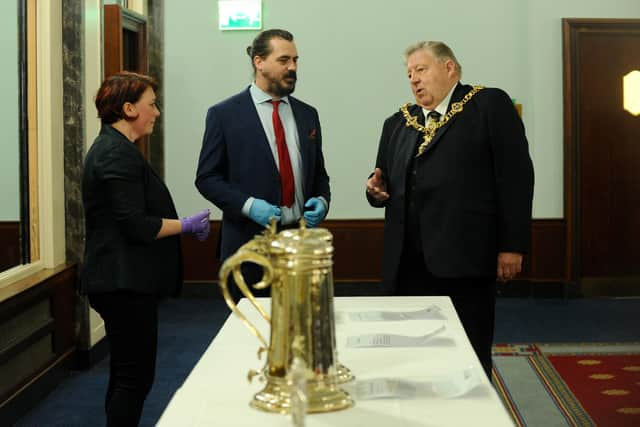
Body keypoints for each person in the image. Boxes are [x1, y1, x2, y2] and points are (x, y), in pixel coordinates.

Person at [366, 41, 534, 378]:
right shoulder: (398, 122)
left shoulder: (488, 105)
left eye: (421, 69)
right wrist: (375, 191)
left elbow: (516, 178)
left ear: (449, 68)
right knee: (410, 354)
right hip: (407, 262)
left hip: (464, 259)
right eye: (409, 73)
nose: (414, 79)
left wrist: (512, 245)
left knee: (467, 353)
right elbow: (383, 179)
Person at [81, 71, 210, 426]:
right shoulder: (114, 154)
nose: (157, 112)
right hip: (122, 282)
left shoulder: (117, 149)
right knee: (134, 378)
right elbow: (135, 225)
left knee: (127, 375)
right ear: (128, 109)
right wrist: (184, 225)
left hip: (124, 280)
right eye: (151, 105)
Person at [195, 29, 330, 295]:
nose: (292, 67)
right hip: (249, 247)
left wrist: (323, 200)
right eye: (284, 60)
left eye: (295, 60)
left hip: (299, 248)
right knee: (252, 333)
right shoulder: (224, 115)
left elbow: (319, 174)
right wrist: (248, 205)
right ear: (259, 62)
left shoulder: (307, 114)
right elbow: (207, 178)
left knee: (300, 333)